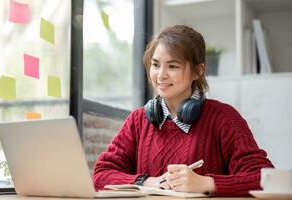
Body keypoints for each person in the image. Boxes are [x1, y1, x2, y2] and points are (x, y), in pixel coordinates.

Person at [93, 24, 273, 196]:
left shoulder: (224, 118)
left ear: (198, 71)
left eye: (173, 66)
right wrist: (149, 182)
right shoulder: (138, 119)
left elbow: (265, 178)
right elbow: (102, 174)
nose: (161, 75)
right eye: (156, 65)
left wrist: (205, 183)